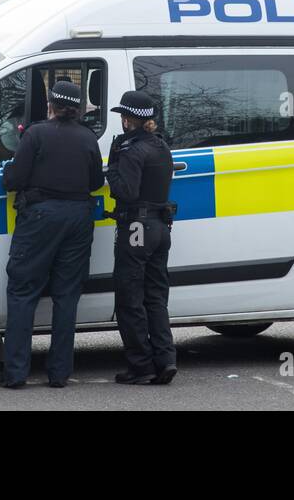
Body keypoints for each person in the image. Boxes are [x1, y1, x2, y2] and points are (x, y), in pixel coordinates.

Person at [0, 79, 103, 389]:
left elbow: (13, 180)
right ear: (78, 108)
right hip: (79, 218)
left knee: (22, 291)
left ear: (51, 106)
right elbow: (96, 181)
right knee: (67, 296)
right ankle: (59, 374)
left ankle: (16, 374)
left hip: (40, 217)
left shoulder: (36, 134)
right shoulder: (87, 137)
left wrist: (8, 172)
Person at [106, 90, 177, 385]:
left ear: (130, 119)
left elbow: (127, 192)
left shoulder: (131, 151)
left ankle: (141, 366)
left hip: (136, 229)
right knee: (156, 298)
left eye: (124, 116)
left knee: (130, 299)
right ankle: (166, 359)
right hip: (160, 228)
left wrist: (112, 169)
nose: (122, 121)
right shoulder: (161, 146)